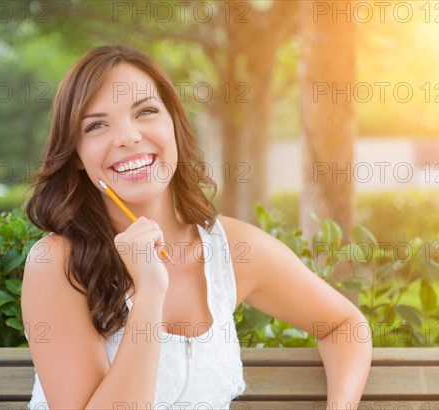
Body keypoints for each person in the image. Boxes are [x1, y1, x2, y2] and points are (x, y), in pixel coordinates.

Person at [21, 44, 372, 410]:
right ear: (76, 155)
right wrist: (150, 292)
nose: (127, 136)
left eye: (146, 111)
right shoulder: (57, 264)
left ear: (174, 123)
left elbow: (345, 325)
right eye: (96, 125)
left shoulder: (235, 249)